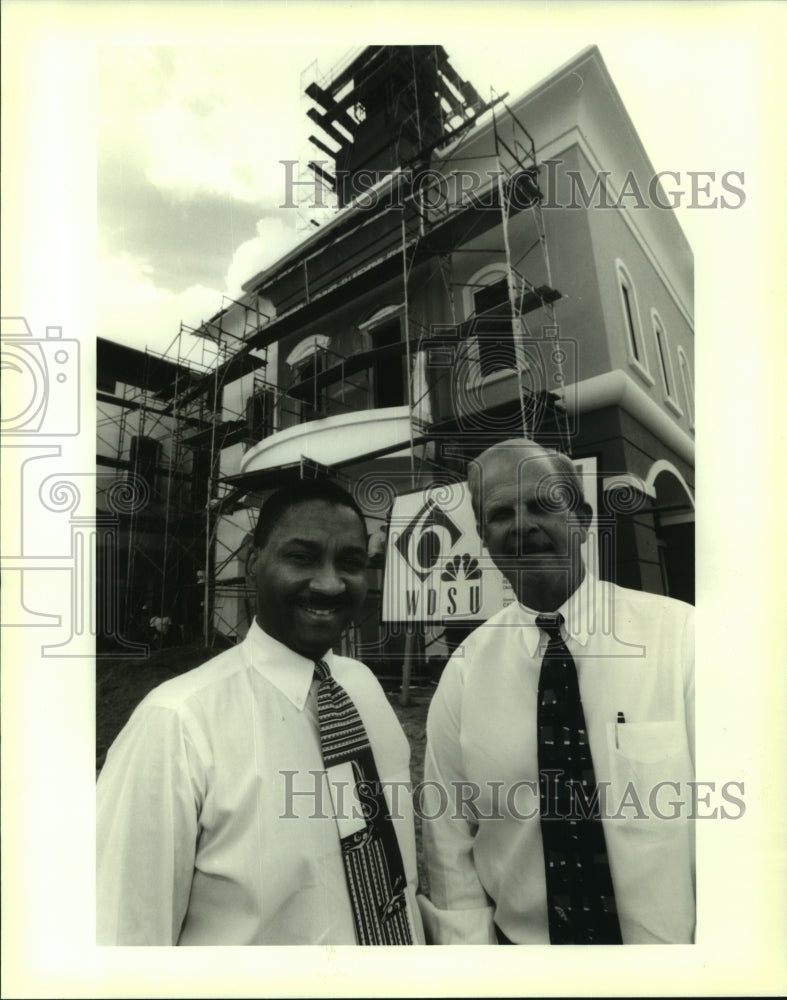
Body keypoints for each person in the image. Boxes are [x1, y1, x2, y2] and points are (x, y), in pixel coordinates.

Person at [97, 478, 425, 945]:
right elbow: (124, 940)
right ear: (253, 562)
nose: (331, 584)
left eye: (351, 563)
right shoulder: (176, 723)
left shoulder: (364, 689)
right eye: (302, 557)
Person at [419, 439, 695, 945]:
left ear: (583, 518)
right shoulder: (463, 673)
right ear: (484, 536)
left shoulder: (681, 638)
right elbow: (449, 843)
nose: (522, 525)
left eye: (544, 504)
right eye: (501, 513)